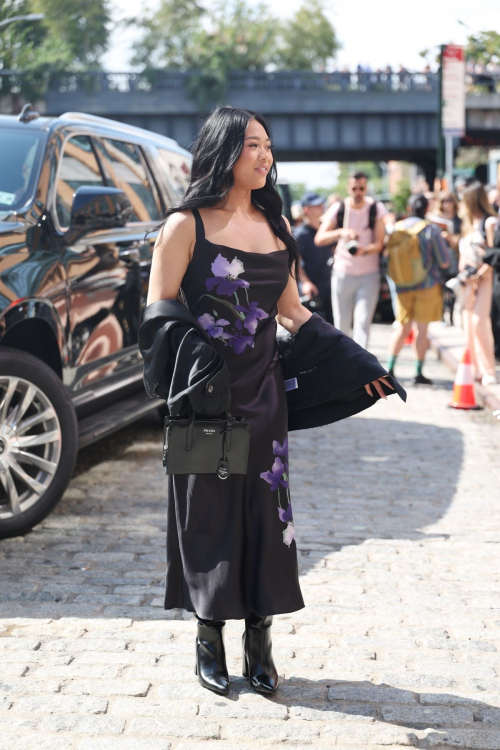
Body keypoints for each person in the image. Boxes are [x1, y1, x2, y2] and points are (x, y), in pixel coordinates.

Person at [142, 106, 398, 698]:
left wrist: (360, 365)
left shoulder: (277, 231)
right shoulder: (185, 226)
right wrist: (196, 362)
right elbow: (158, 312)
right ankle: (209, 637)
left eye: (268, 145)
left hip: (262, 399)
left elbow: (293, 312)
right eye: (252, 144)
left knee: (266, 518)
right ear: (224, 150)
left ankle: (260, 640)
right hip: (201, 401)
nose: (265, 155)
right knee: (205, 512)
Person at [314, 171, 386, 349]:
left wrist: (365, 250)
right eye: (354, 188)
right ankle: (344, 366)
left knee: (363, 322)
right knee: (342, 324)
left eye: (361, 188)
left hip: (369, 273)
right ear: (349, 188)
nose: (358, 192)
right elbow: (319, 238)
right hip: (343, 272)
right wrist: (341, 233)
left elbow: (379, 243)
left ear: (366, 188)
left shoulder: (376, 208)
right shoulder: (339, 208)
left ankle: (361, 367)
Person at [386, 193, 450, 385]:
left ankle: (389, 368)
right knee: (422, 330)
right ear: (426, 209)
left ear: (409, 208)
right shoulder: (431, 230)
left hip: (402, 286)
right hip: (427, 285)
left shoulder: (397, 228)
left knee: (402, 326)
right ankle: (418, 372)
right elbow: (444, 261)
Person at [459, 181, 498, 385]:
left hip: (485, 279)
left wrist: (479, 274)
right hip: (469, 281)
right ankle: (475, 369)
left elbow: (494, 255)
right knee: (468, 324)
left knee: (479, 322)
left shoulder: (489, 222)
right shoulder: (468, 224)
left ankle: (488, 369)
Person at [294, 192, 334, 324]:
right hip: (312, 288)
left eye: (321, 204)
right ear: (306, 209)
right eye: (316, 205)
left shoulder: (328, 229)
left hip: (331, 284)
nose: (321, 207)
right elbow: (295, 261)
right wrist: (305, 282)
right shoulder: (301, 234)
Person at [434, 191, 462, 326]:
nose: (447, 204)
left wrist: (450, 238)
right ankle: (442, 315)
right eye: (444, 200)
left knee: (452, 287)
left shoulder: (458, 219)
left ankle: (450, 316)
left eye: (449, 200)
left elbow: (461, 238)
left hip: (453, 256)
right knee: (441, 287)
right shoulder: (437, 219)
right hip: (438, 257)